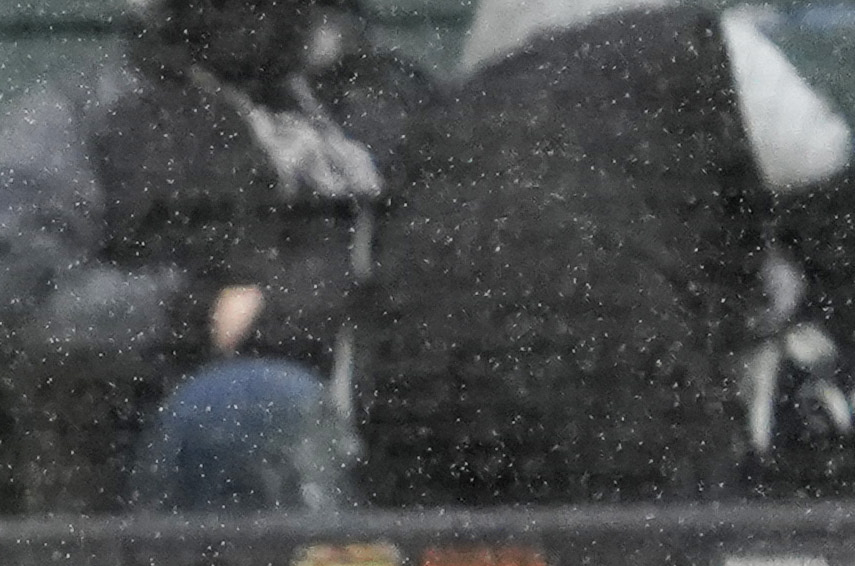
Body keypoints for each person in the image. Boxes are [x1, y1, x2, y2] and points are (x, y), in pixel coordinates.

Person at [358, 0, 855, 505]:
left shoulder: (465, 100)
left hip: (422, 404)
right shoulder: (707, 45)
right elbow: (822, 182)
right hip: (617, 383)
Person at [0, 0, 435, 512]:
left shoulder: (391, 103)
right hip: (165, 438)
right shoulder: (83, 113)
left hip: (388, 384)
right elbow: (12, 299)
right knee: (251, 407)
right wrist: (201, 313)